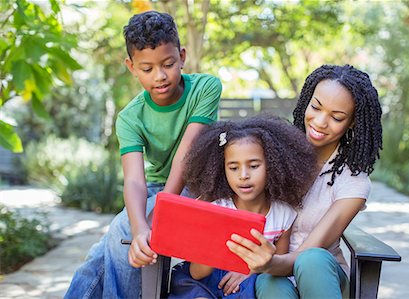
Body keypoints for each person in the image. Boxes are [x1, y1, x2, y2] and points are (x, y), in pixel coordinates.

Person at [65, 10, 222, 298]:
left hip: (196, 186)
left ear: (182, 56)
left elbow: (186, 158)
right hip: (153, 187)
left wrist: (158, 213)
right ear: (131, 66)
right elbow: (135, 181)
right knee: (99, 257)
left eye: (168, 64)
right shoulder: (130, 117)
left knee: (120, 230)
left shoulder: (205, 88)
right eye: (147, 69)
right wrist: (140, 230)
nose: (160, 76)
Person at [226, 64, 383, 299]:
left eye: (337, 117)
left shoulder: (353, 181)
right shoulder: (273, 153)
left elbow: (309, 251)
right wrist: (253, 264)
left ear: (352, 123)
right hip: (270, 274)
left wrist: (265, 263)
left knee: (312, 260)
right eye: (316, 107)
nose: (320, 122)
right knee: (270, 284)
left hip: (322, 276)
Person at [168, 115, 317, 299]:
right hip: (205, 281)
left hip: (249, 284)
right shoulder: (215, 209)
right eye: (233, 168)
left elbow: (278, 268)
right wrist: (212, 247)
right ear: (222, 169)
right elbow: (197, 273)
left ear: (273, 165)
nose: (243, 175)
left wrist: (251, 271)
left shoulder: (284, 216)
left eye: (253, 166)